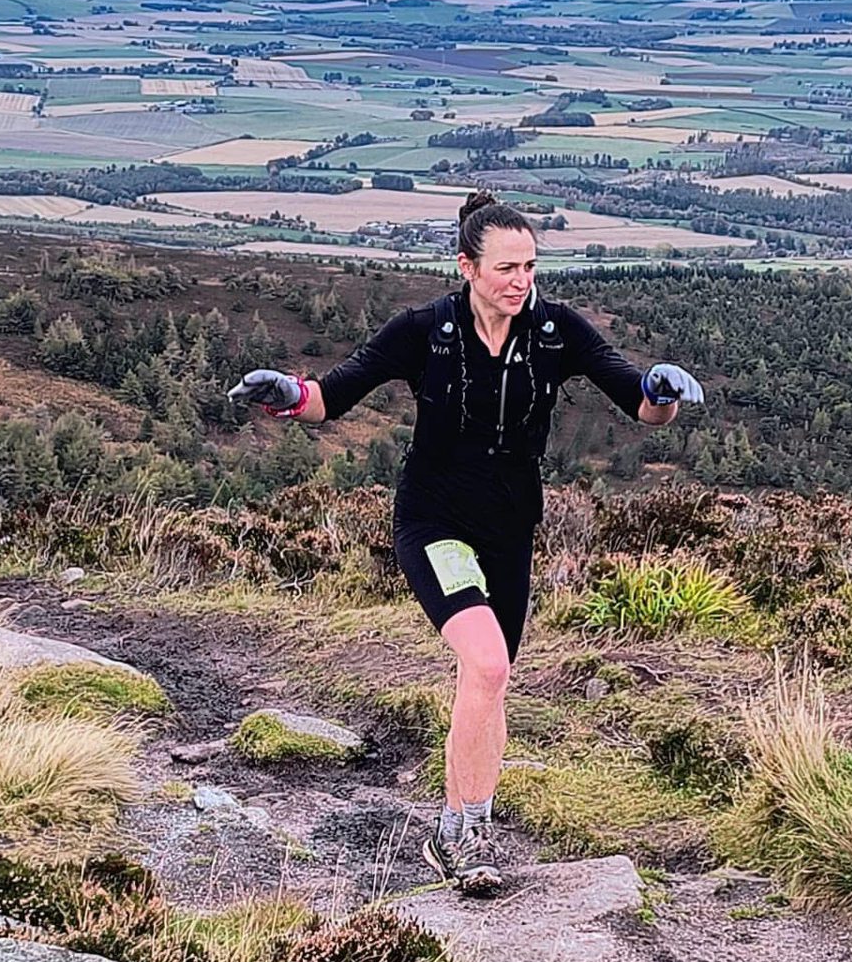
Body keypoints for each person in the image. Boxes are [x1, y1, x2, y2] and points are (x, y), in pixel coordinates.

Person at [228, 189, 704, 895]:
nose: (521, 282)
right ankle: (463, 837)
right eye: (507, 268)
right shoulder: (424, 330)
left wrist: (662, 391)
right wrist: (288, 394)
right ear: (468, 266)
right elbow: (334, 395)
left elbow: (638, 402)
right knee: (485, 666)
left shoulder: (555, 331)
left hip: (510, 528)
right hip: (435, 523)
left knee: (490, 681)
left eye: (531, 267)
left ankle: (457, 821)